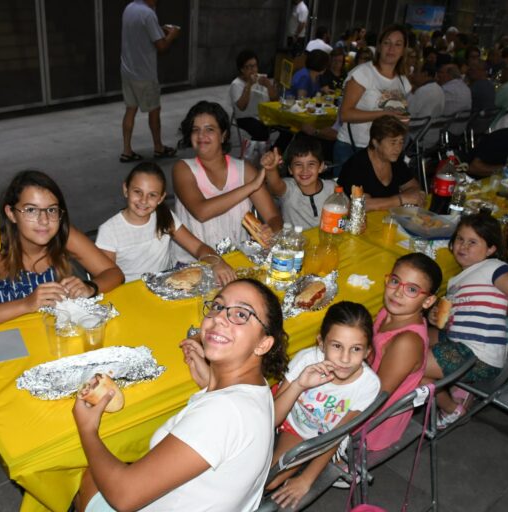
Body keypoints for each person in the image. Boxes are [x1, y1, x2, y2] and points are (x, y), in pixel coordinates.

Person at [73, 279, 289, 512]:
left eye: (241, 314)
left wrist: (87, 429)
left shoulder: (224, 413)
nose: (219, 318)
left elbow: (124, 496)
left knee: (87, 476)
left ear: (263, 344)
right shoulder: (256, 388)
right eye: (217, 306)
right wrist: (210, 383)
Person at [0, 171, 124, 330]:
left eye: (51, 210)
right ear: (11, 214)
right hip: (7, 340)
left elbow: (113, 273)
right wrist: (26, 304)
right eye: (31, 210)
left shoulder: (63, 235)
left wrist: (90, 287)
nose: (44, 220)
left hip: (50, 333)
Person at [422, 213, 508, 429]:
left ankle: (450, 408)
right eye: (460, 239)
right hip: (462, 343)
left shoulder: (493, 268)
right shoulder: (458, 280)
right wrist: (434, 316)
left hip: (478, 354)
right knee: (418, 336)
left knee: (410, 363)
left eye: (473, 242)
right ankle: (457, 386)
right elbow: (455, 320)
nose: (463, 246)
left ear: (491, 249)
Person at [265, 302, 381, 508]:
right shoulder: (306, 360)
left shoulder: (368, 385)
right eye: (337, 346)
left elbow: (336, 435)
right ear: (321, 342)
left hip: (315, 436)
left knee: (268, 481)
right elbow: (274, 416)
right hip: (289, 417)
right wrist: (299, 384)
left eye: (356, 349)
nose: (345, 359)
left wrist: (306, 479)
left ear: (367, 351)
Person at [172, 101, 283, 262]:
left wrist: (270, 230)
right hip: (193, 264)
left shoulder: (244, 170)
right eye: (196, 130)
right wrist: (251, 186)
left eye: (209, 129)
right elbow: (202, 212)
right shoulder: (182, 169)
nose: (201, 135)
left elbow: (274, 217)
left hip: (239, 259)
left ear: (223, 135)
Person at [95, 162, 235, 284]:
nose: (143, 200)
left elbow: (198, 247)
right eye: (138, 192)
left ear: (161, 198)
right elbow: (108, 276)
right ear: (126, 189)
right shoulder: (109, 231)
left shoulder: (165, 217)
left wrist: (218, 263)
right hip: (130, 294)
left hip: (166, 287)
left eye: (152, 195)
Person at [364, 253, 441, 451]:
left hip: (371, 424)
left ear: (428, 301)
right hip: (365, 389)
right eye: (395, 281)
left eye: (412, 289)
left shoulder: (406, 342)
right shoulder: (389, 312)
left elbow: (376, 400)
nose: (398, 293)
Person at [335, 25, 412, 168]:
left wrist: (403, 120)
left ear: (403, 50)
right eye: (387, 43)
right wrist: (385, 114)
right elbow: (345, 114)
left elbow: (399, 115)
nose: (391, 49)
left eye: (398, 44)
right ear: (379, 47)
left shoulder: (402, 80)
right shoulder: (363, 73)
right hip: (355, 148)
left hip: (383, 151)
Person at [118, 0, 180, 163]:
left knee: (130, 109)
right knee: (154, 110)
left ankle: (126, 151)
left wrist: (159, 30)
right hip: (144, 73)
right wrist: (171, 35)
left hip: (127, 69)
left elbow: (141, 33)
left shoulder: (130, 8)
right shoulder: (148, 14)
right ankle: (159, 148)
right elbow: (161, 47)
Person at [338, 116, 425, 210]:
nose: (398, 148)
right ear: (375, 142)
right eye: (393, 143)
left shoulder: (394, 160)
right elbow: (360, 205)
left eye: (401, 142)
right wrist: (401, 199)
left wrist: (409, 197)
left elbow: (414, 187)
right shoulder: (356, 166)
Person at [260, 135, 335, 228]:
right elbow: (275, 186)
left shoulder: (332, 188)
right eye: (298, 164)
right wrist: (271, 169)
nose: (305, 170)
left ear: (321, 167)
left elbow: (345, 214)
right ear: (290, 169)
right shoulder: (288, 189)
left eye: (311, 164)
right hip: (294, 241)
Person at [229, 50, 280, 145]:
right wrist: (248, 85)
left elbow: (275, 100)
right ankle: (251, 153)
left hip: (263, 114)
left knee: (286, 126)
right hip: (245, 117)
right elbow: (241, 107)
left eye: (255, 66)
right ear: (242, 69)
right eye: (249, 67)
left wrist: (269, 85)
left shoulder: (262, 78)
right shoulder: (236, 84)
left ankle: (276, 151)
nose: (253, 70)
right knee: (261, 132)